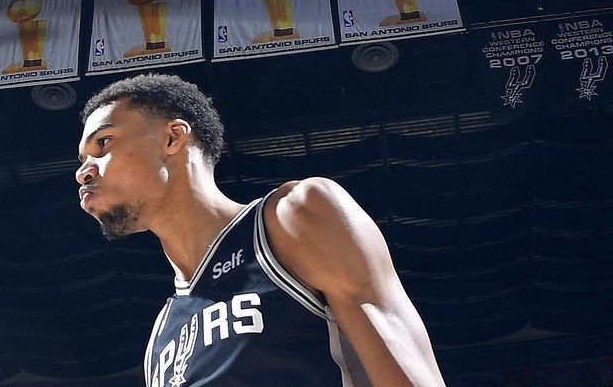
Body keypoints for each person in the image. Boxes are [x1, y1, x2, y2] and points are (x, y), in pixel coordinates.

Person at [76, 74, 445, 387]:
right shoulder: (162, 334)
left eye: (103, 143)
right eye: (83, 159)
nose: (84, 171)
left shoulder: (295, 215)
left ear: (173, 138)